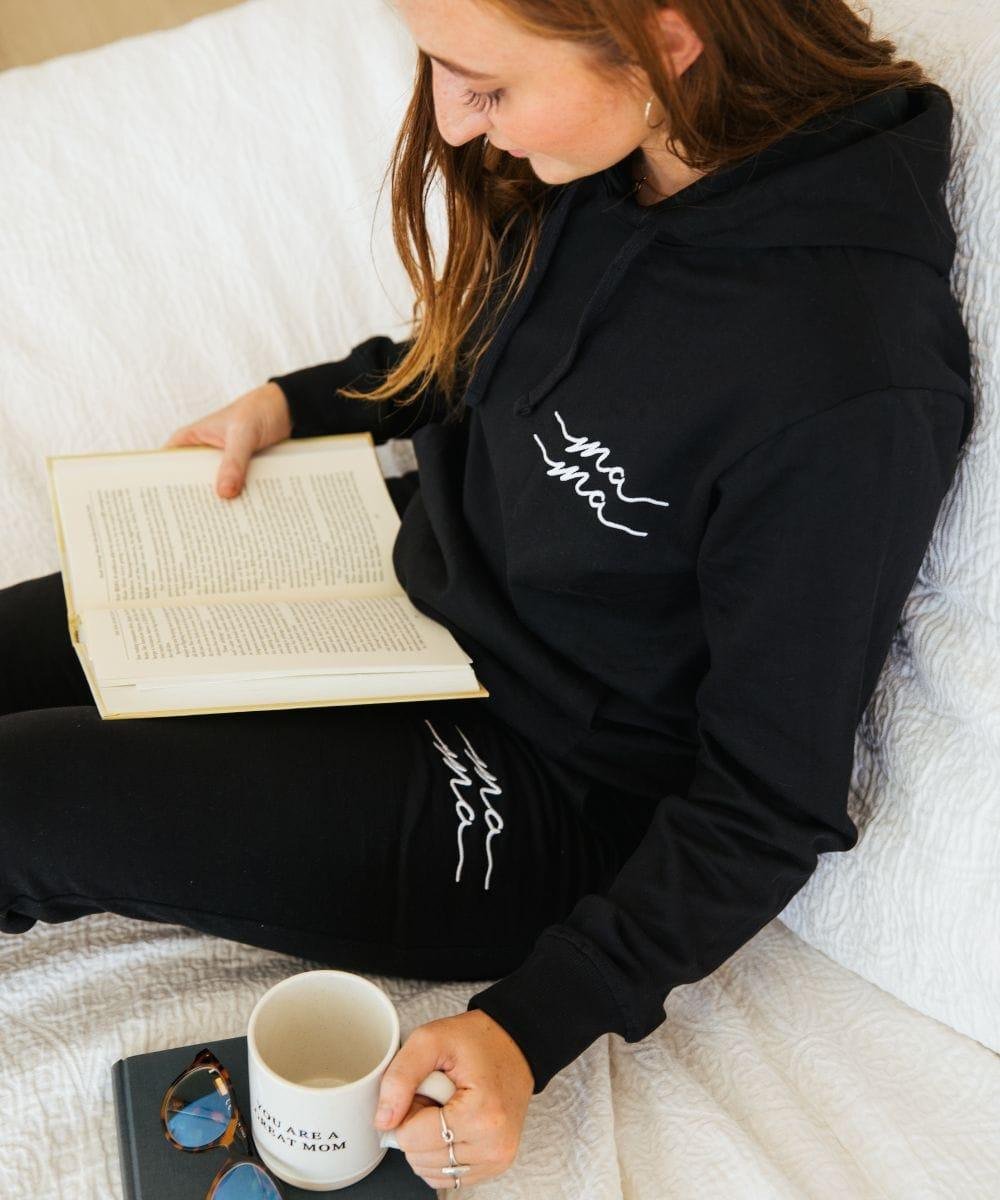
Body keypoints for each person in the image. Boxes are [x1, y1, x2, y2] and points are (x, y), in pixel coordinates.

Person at [0, 0, 973, 1191]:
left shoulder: (851, 382)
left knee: (19, 795)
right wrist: (307, 401)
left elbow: (764, 803)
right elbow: (499, 354)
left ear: (666, 39)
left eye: (488, 86)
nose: (456, 127)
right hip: (396, 583)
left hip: (540, 784)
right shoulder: (625, 153)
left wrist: (528, 1028)